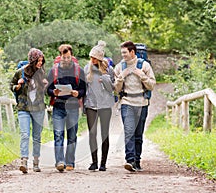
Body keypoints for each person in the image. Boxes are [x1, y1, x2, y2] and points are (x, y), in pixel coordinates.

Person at [114, 41, 156, 172]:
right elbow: (116, 89)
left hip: (142, 103)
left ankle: (137, 161)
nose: (123, 55)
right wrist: (121, 77)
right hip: (126, 102)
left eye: (125, 52)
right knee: (129, 131)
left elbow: (152, 85)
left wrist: (142, 75)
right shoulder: (119, 67)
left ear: (132, 52)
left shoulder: (144, 65)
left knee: (138, 134)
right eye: (122, 53)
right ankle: (130, 160)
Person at [47, 44, 86, 172]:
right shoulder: (54, 71)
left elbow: (84, 89)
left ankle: (70, 162)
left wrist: (77, 93)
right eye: (64, 58)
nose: (66, 60)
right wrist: (54, 92)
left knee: (72, 135)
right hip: (58, 106)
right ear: (60, 56)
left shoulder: (78, 71)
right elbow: (48, 89)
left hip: (73, 106)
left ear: (71, 56)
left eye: (68, 57)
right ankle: (59, 161)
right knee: (58, 134)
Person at [10, 48, 48, 174]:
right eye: (38, 60)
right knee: (25, 134)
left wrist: (45, 85)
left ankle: (36, 162)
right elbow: (11, 86)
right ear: (33, 60)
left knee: (36, 137)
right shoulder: (20, 72)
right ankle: (24, 161)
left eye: (42, 61)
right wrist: (18, 85)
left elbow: (43, 92)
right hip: (24, 107)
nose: (40, 63)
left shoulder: (41, 72)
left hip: (38, 108)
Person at [84, 40, 115, 171]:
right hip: (91, 104)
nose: (92, 60)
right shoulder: (87, 68)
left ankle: (103, 163)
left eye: (95, 58)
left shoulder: (109, 69)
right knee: (92, 134)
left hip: (105, 106)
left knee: (104, 135)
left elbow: (112, 88)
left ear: (100, 58)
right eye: (91, 57)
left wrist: (105, 78)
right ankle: (94, 162)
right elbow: (85, 88)